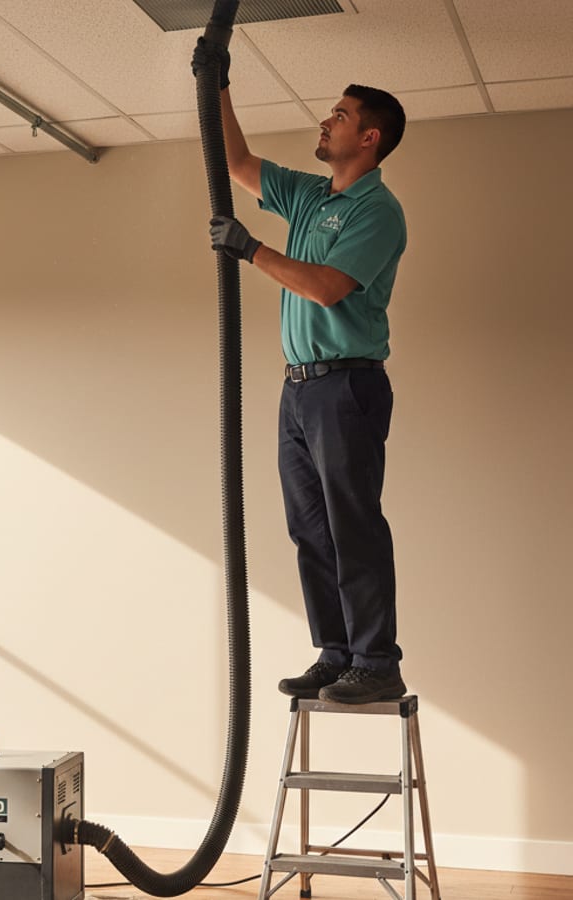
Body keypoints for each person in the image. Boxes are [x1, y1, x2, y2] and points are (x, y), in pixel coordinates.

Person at [194, 41, 409, 705]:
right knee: (310, 527)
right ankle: (337, 651)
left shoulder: (378, 212)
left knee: (351, 523)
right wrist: (217, 85)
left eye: (339, 116)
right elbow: (234, 161)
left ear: (368, 138)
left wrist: (251, 250)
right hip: (299, 388)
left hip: (346, 387)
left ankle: (376, 662)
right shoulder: (311, 196)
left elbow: (324, 287)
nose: (325, 121)